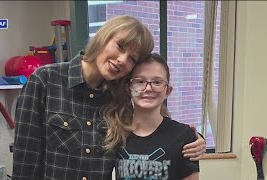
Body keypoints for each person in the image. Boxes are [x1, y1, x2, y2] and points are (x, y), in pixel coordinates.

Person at [12, 15, 204, 180]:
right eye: (120, 46)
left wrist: (193, 140)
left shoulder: (119, 98)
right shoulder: (45, 81)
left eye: (132, 59)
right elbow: (25, 162)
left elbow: (150, 131)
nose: (122, 59)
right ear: (103, 38)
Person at [102, 53, 199, 179]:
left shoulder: (184, 136)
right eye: (140, 81)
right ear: (128, 88)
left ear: (167, 90)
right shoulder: (115, 132)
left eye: (157, 82)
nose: (148, 88)